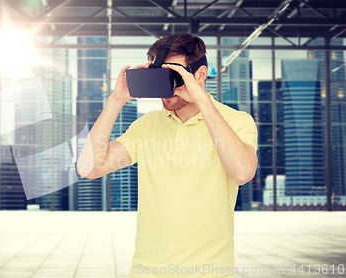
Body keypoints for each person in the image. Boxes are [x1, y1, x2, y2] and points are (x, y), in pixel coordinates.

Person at [76, 34, 258, 278]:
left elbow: (243, 172)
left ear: (200, 75)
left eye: (175, 78)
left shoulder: (237, 121)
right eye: (161, 78)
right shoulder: (147, 125)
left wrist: (201, 100)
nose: (167, 89)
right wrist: (116, 100)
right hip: (147, 271)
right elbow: (88, 168)